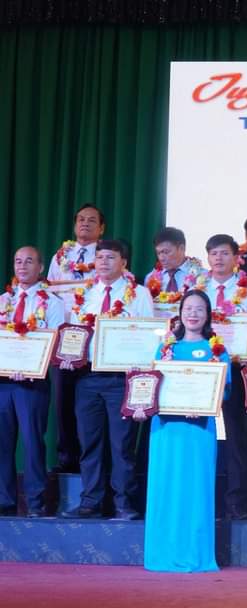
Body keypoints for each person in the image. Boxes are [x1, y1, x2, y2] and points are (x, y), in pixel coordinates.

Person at [60, 239, 154, 519]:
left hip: (121, 379)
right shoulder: (85, 294)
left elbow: (148, 336)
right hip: (87, 378)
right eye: (99, 257)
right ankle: (91, 501)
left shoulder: (139, 294)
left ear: (124, 262)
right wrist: (68, 354)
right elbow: (75, 335)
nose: (102, 262)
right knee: (89, 442)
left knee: (121, 445)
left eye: (110, 257)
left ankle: (124, 502)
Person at [142, 289, 228, 572]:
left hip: (198, 429)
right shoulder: (166, 348)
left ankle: (194, 552)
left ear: (207, 315)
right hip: (166, 428)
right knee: (166, 488)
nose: (192, 314)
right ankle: (162, 552)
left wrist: (202, 404)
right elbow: (152, 385)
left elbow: (225, 392)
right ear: (179, 313)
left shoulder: (217, 349)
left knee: (195, 490)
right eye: (187, 308)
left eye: (199, 309)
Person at [200, 233, 247, 520]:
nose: (218, 258)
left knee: (238, 435)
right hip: (203, 368)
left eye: (224, 253)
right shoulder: (198, 289)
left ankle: (238, 502)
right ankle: (202, 500)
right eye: (213, 253)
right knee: (201, 431)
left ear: (236, 258)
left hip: (237, 369)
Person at [0, 246, 66, 517]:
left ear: (40, 268)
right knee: (2, 443)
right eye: (17, 261)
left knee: (32, 441)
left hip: (33, 383)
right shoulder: (3, 300)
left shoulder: (52, 302)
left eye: (29, 261)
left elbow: (56, 340)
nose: (22, 266)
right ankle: (5, 500)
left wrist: (29, 367)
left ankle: (36, 502)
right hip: (3, 383)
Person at [47, 203, 106, 473]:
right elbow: (48, 293)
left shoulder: (105, 256)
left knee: (90, 404)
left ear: (101, 228)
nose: (85, 224)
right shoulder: (61, 256)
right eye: (80, 219)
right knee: (62, 400)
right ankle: (67, 457)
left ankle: (93, 460)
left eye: (91, 220)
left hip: (94, 340)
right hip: (63, 338)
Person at [144, 227, 205, 306]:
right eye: (158, 253)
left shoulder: (202, 276)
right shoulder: (150, 278)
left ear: (181, 248)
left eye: (166, 252)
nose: (161, 258)